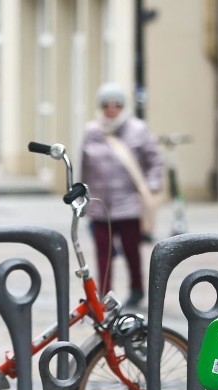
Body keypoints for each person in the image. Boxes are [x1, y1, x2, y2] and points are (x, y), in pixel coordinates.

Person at [80, 83, 164, 308]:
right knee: (102, 252)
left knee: (131, 249)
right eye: (106, 105)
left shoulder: (138, 129)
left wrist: (153, 185)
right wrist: (81, 194)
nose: (111, 109)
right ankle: (106, 293)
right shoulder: (92, 131)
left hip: (128, 203)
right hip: (100, 204)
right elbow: (84, 166)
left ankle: (136, 289)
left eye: (116, 104)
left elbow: (154, 160)